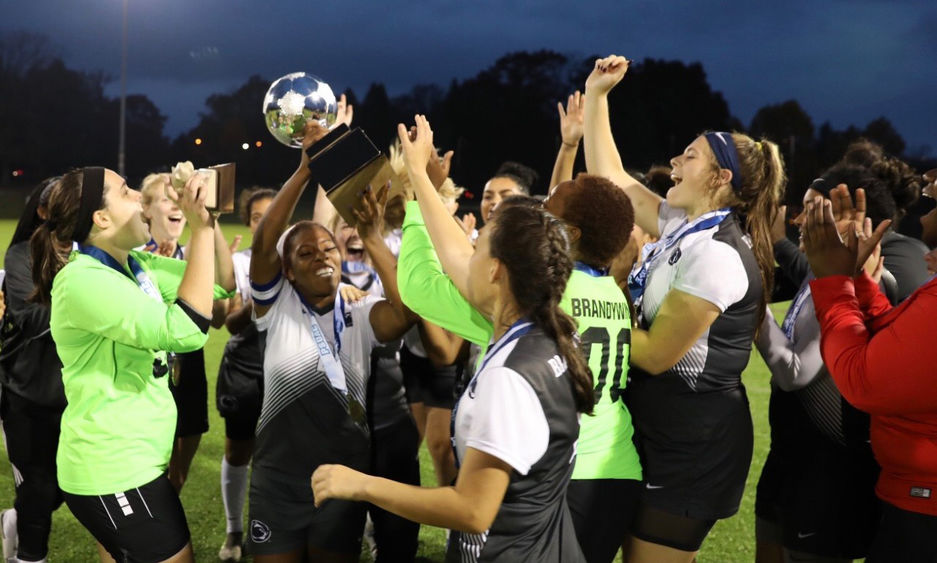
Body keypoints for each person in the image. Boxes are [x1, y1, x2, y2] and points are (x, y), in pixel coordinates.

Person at [312, 115, 593, 563]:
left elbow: (473, 509)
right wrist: (421, 181)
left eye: (478, 248)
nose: (466, 254)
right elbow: (441, 269)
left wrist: (361, 484)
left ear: (497, 270)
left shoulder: (509, 375)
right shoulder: (544, 329)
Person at [583, 55, 785, 562]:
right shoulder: (681, 223)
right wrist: (596, 97)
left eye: (689, 156)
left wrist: (611, 290)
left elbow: (652, 355)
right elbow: (610, 176)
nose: (674, 161)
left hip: (694, 444)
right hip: (661, 426)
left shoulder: (717, 254)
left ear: (720, 177)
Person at [30, 167, 232, 562]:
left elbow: (223, 283)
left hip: (133, 461)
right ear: (101, 218)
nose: (141, 197)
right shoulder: (82, 279)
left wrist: (210, 219)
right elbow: (186, 330)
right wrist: (200, 229)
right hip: (112, 469)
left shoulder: (136, 265)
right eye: (126, 191)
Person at [246, 122, 416, 563]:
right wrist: (304, 172)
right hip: (278, 478)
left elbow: (404, 313)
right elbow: (265, 242)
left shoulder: (359, 311)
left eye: (328, 249)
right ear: (287, 271)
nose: (321, 255)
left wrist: (373, 236)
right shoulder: (275, 306)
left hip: (342, 476)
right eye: (305, 253)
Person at [801, 191, 937, 563]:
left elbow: (864, 380)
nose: (924, 219)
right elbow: (899, 346)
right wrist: (858, 281)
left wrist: (834, 283)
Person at [754, 185, 882, 563]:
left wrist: (754, 310)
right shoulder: (814, 275)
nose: (799, 222)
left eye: (814, 211)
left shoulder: (866, 285)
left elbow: (794, 372)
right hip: (788, 456)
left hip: (825, 472)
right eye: (803, 209)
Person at [140, 172, 236, 493]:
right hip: (148, 377)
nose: (178, 203)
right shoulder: (134, 258)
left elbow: (226, 286)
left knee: (177, 476)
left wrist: (211, 217)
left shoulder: (193, 254)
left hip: (189, 371)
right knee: (147, 478)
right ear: (146, 209)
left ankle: (163, 536)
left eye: (181, 196)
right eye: (168, 197)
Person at [0, 177, 66, 563]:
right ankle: (28, 556)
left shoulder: (91, 254)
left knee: (62, 490)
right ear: (42, 211)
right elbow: (30, 316)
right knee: (38, 491)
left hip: (75, 397)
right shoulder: (22, 254)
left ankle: (14, 520)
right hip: (27, 395)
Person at [215, 187, 276, 562]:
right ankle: (234, 530)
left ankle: (274, 528)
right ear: (249, 222)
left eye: (272, 214)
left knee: (283, 452)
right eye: (257, 217)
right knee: (238, 450)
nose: (266, 223)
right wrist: (257, 301)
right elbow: (231, 324)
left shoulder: (297, 255)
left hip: (288, 368)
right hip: (245, 367)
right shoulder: (240, 263)